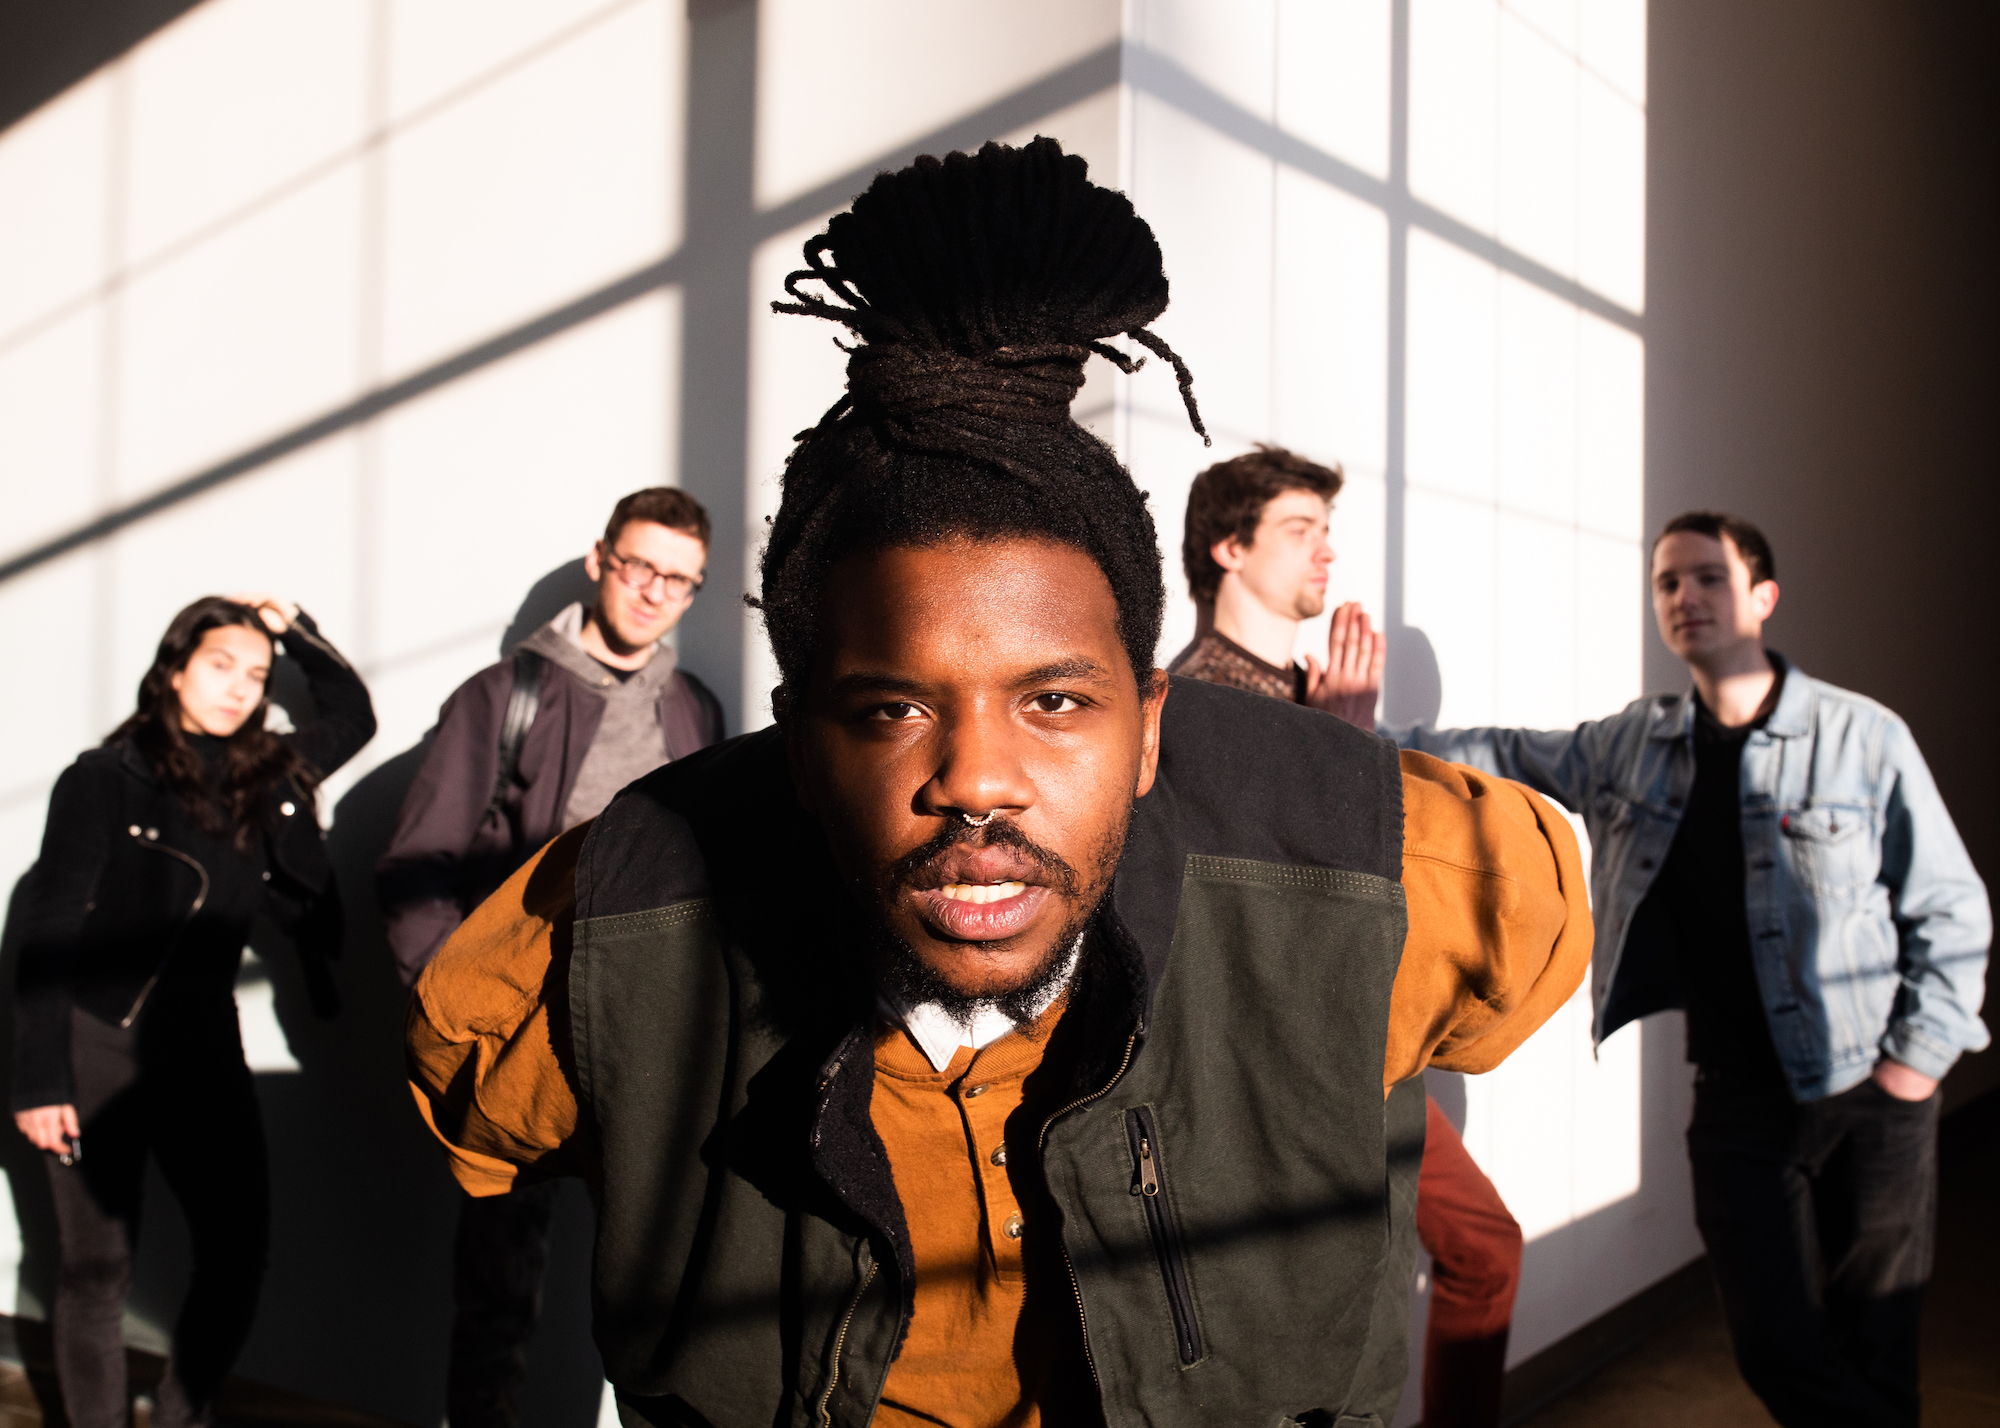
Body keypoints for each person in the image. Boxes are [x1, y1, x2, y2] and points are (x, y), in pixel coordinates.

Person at [404, 137, 1591, 1426]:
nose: (978, 783)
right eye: (893, 708)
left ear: (1149, 728)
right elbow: (481, 1096)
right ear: (797, 747)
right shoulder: (604, 941)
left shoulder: (1394, 871)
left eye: (1055, 702)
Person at [1345, 511, 1990, 1427]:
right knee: (1772, 1347)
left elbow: (1951, 907)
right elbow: (1504, 753)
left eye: (1709, 577)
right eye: (1668, 582)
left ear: (1762, 598)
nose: (1685, 596)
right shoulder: (1635, 744)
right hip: (1734, 1095)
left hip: (1868, 1092)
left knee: (1876, 1341)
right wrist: (1360, 741)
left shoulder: (1861, 736)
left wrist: (1912, 1067)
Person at [1170, 444, 1525, 1428]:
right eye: (1299, 530)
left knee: (1479, 1250)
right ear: (1228, 547)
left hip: (1365, 1048)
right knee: (1323, 1328)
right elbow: (1252, 916)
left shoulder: (1317, 694)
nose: (1325, 551)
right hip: (1277, 1075)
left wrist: (1345, 740)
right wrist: (1336, 748)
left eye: (1327, 531)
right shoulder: (1191, 705)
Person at [376, 485, 724, 1428]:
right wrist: (456, 1022)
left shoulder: (694, 708)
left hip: (650, 1042)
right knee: (499, 1288)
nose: (654, 593)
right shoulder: (505, 696)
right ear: (600, 560)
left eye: (680, 580)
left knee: (658, 1288)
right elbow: (416, 865)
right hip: (521, 1039)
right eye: (640, 566)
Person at [12, 595, 375, 1428]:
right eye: (220, 665)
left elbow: (353, 715)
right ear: (174, 669)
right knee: (97, 1270)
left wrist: (293, 631)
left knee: (238, 1251)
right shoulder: (103, 779)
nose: (239, 688)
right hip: (101, 1041)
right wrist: (40, 1079)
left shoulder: (269, 773)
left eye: (256, 675)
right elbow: (51, 922)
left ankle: (180, 1419)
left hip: (202, 1044)